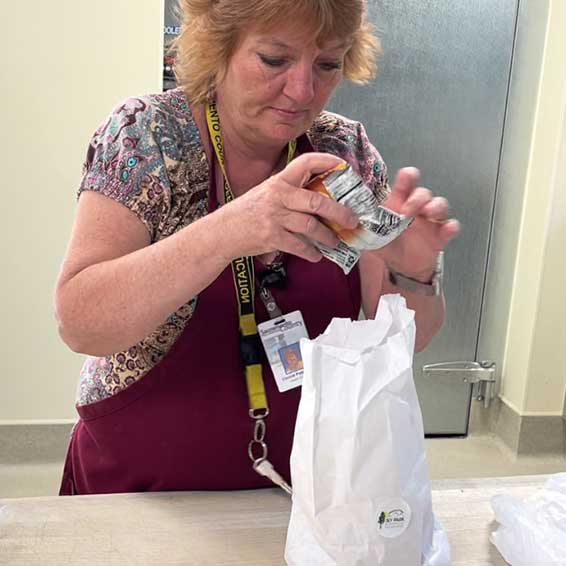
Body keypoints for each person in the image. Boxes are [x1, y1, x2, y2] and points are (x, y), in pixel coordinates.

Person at [55, 0, 460, 495]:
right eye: (274, 60)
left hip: (300, 490)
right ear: (219, 45)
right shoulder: (147, 137)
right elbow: (80, 322)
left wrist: (415, 272)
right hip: (143, 491)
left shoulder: (343, 152)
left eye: (328, 64)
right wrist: (232, 229)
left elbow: (405, 339)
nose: (302, 90)